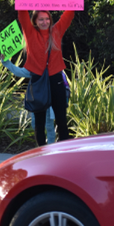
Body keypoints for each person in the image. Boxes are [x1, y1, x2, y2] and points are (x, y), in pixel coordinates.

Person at [19, 9, 74, 146]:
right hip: (38, 80)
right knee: (40, 122)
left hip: (56, 79)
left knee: (61, 119)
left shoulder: (56, 31)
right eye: (41, 19)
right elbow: (22, 14)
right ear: (35, 22)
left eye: (47, 19)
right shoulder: (30, 33)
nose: (45, 22)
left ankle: (64, 152)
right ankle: (41, 153)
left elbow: (69, 14)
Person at [0, 54, 57, 144]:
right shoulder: (35, 66)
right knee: (36, 124)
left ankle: (49, 149)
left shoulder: (52, 66)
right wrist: (6, 62)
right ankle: (44, 149)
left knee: (48, 125)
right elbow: (19, 72)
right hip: (38, 100)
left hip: (48, 100)